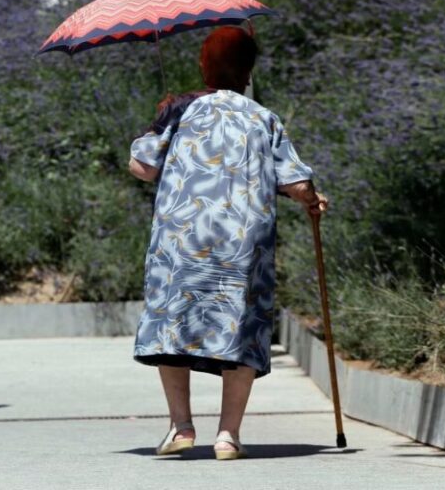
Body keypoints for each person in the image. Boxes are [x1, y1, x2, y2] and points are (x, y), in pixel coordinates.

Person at [128, 26, 327, 459]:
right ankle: (228, 436)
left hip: (181, 240)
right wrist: (313, 200)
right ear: (249, 71)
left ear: (204, 65)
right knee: (242, 325)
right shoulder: (263, 117)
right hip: (242, 245)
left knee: (172, 325)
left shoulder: (179, 109)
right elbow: (295, 183)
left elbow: (142, 167)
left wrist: (159, 124)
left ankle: (181, 426)